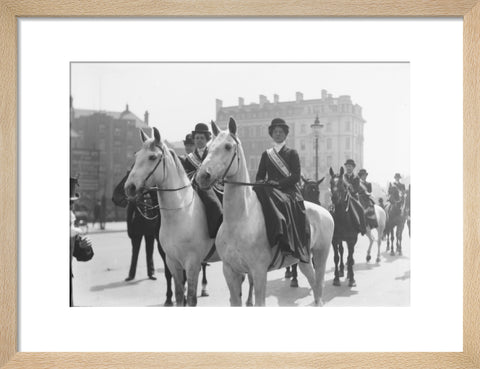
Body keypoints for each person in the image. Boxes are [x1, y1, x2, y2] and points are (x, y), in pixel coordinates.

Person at [253, 118, 310, 263]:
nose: (278, 134)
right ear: (271, 134)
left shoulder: (292, 153)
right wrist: (262, 183)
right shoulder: (266, 154)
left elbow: (296, 176)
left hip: (288, 190)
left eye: (281, 132)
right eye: (275, 132)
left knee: (283, 203)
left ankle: (286, 240)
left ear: (285, 135)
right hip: (269, 189)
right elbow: (260, 175)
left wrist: (278, 183)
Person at [181, 123, 223, 238]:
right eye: (197, 138)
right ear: (194, 140)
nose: (199, 140)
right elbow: (186, 175)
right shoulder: (189, 159)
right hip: (194, 188)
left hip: (213, 187)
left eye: (202, 138)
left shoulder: (212, 154)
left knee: (216, 203)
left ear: (206, 139)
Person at [125, 190, 159, 281]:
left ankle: (151, 273)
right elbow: (129, 216)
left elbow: (156, 213)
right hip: (137, 229)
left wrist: (155, 227)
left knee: (150, 252)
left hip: (150, 229)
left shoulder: (151, 197)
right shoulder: (134, 198)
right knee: (135, 253)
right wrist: (129, 230)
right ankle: (131, 275)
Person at [70, 177, 92, 307]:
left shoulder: (70, 222)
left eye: (71, 204)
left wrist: (85, 247)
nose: (70, 209)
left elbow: (81, 254)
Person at [341, 159, 367, 235]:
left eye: (350, 166)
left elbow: (356, 189)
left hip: (353, 198)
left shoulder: (356, 178)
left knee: (361, 210)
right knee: (332, 207)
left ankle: (363, 228)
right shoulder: (342, 177)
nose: (348, 168)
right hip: (343, 197)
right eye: (347, 166)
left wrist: (350, 189)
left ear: (353, 168)